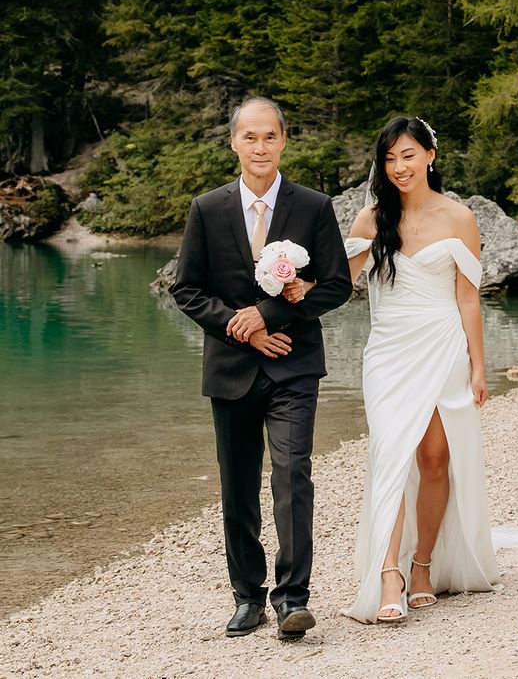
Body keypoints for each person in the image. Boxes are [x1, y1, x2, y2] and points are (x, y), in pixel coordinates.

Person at [171, 96, 352, 640]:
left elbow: (338, 285)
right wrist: (240, 325)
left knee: (293, 475)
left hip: (294, 366)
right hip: (231, 369)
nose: (260, 147)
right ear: (234, 142)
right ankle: (247, 596)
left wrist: (270, 312)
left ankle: (293, 598)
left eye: (269, 136)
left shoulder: (314, 206)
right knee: (238, 486)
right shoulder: (207, 208)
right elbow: (186, 288)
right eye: (249, 137)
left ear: (283, 140)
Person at [326, 115, 500, 622]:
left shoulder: (460, 219)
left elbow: (469, 299)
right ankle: (388, 575)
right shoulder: (369, 220)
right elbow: (337, 286)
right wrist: (288, 284)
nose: (399, 166)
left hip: (443, 344)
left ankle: (423, 564)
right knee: (391, 456)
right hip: (388, 352)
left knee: (434, 460)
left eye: (408, 155)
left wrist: (478, 368)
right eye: (389, 158)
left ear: (430, 155)